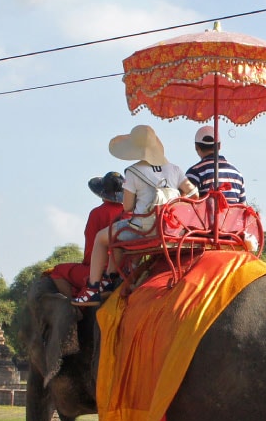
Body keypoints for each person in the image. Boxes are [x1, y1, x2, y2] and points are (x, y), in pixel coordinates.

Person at [72, 125, 196, 306]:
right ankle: (110, 277)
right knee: (116, 232)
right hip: (173, 228)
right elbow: (195, 196)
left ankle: (93, 288)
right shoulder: (175, 169)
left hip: (144, 230)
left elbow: (128, 206)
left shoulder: (133, 172)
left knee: (102, 237)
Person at [48, 172, 126, 297]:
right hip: (127, 267)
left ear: (103, 192)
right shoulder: (129, 213)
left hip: (102, 270)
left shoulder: (97, 213)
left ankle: (75, 309)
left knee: (58, 271)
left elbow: (91, 250)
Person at [185, 125, 246, 204]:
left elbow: (187, 205)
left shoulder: (194, 173)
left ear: (196, 147)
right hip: (232, 216)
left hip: (206, 217)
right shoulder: (238, 175)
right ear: (219, 146)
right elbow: (242, 208)